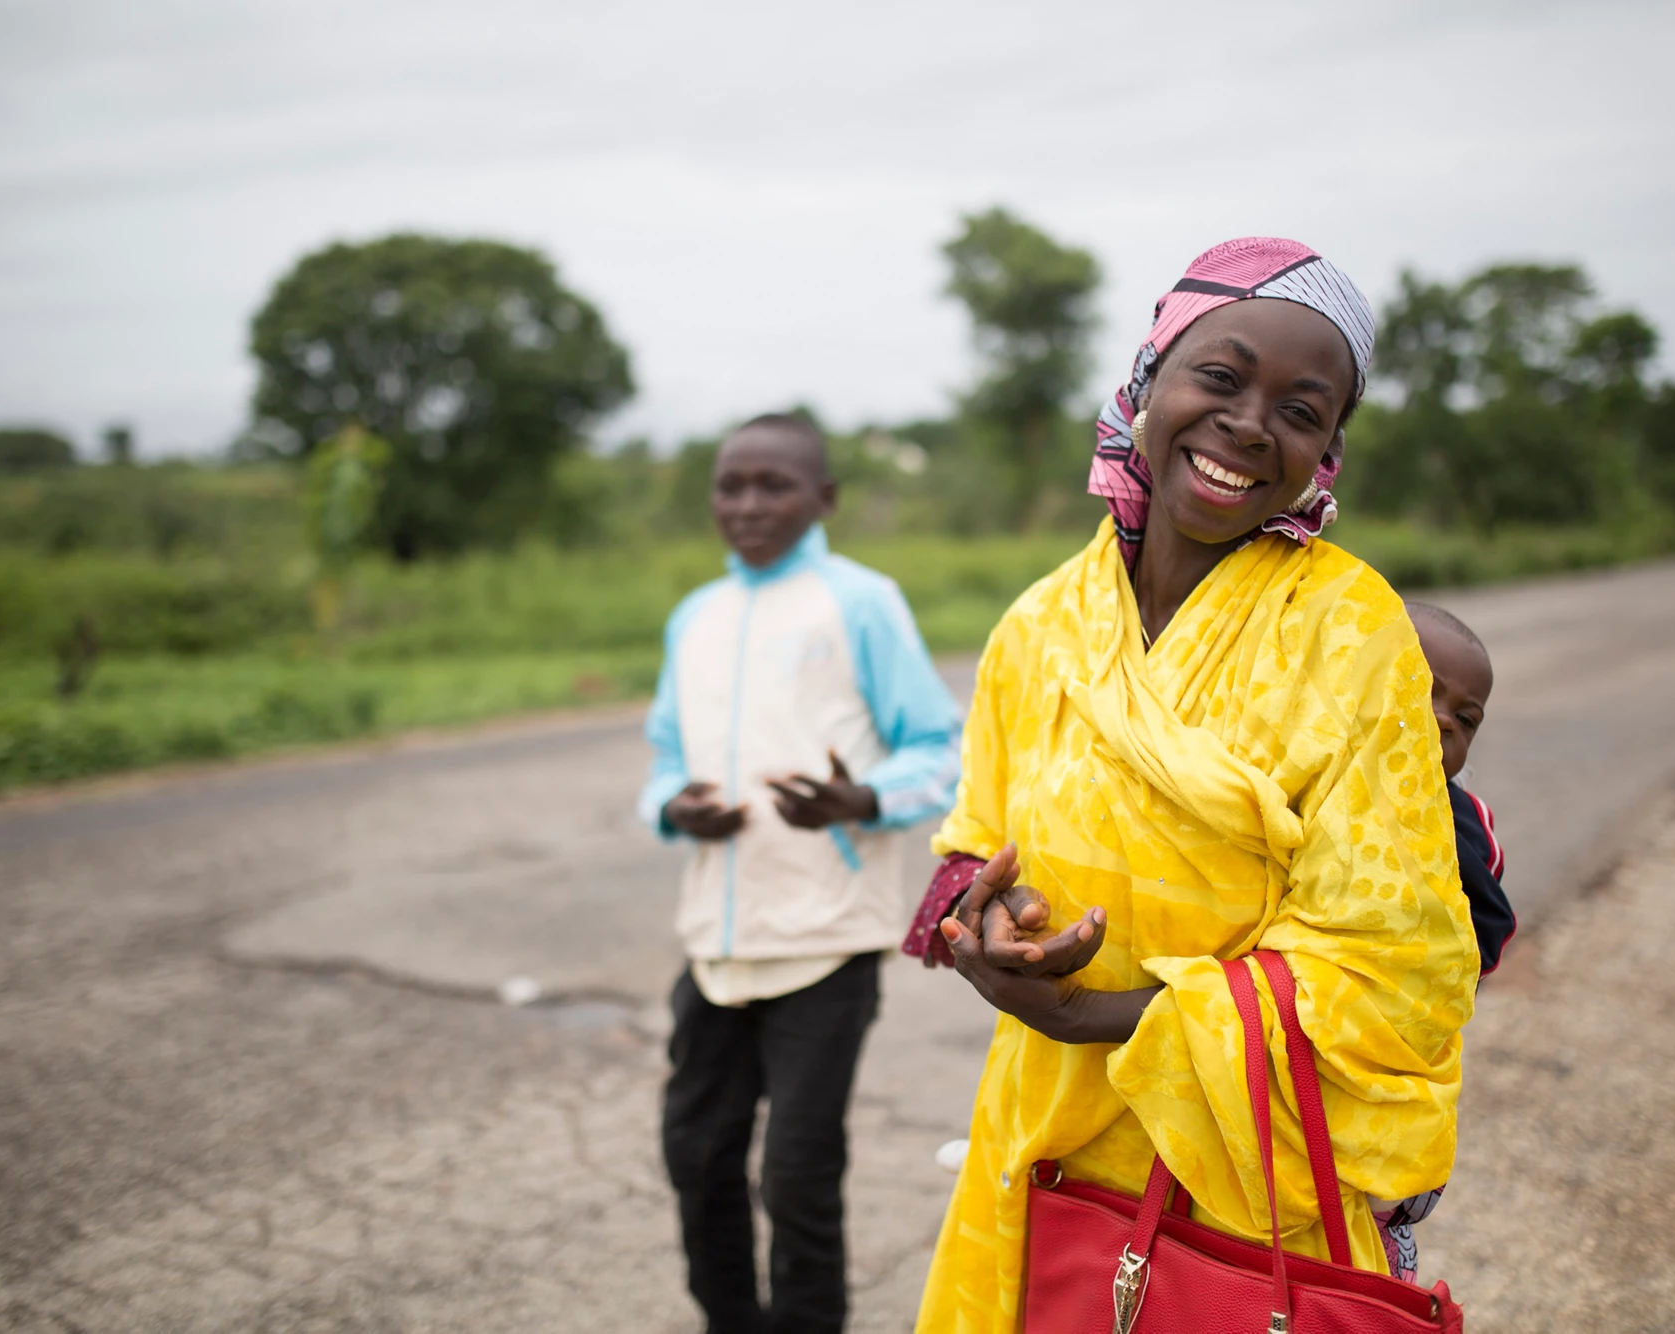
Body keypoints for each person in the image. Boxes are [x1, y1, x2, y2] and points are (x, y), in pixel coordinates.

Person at [900, 238, 1480, 1327]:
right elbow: (972, 841)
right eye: (1218, 376)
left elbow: (1397, 964)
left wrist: (1098, 1014)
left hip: (1243, 1175)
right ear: (1145, 380)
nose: (1249, 423)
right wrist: (991, 925)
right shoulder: (1041, 622)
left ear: (1326, 451)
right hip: (1041, 1138)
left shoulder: (1349, 631)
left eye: (1300, 409)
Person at [639, 412, 962, 1334]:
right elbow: (665, 757)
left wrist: (859, 799)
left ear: (822, 498)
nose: (745, 504)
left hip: (827, 941)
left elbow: (938, 746)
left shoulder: (858, 602)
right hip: (716, 941)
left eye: (771, 485)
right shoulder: (695, 616)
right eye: (728, 485)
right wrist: (673, 807)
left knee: (797, 1174)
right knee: (697, 1154)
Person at [1408, 601, 1516, 976]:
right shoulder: (1302, 763)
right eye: (1420, 686)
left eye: (1465, 718)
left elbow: (1484, 934)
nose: (1443, 719)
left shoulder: (1459, 822)